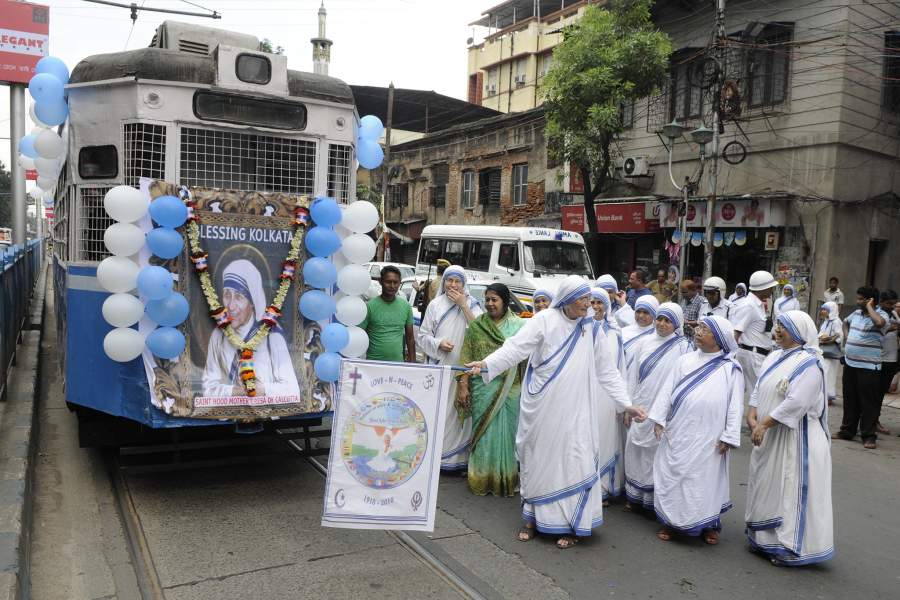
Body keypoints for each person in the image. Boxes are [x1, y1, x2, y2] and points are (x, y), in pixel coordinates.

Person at [465, 276, 646, 549]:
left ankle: (573, 524)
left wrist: (626, 403)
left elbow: (607, 373)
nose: (588, 305)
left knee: (573, 461)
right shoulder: (544, 320)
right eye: (583, 300)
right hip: (542, 408)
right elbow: (516, 348)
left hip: (576, 412)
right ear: (567, 300)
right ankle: (534, 519)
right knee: (539, 458)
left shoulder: (592, 330)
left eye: (589, 299)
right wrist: (488, 364)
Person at [745, 310, 833, 567]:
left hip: (797, 439)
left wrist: (764, 423)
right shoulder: (773, 355)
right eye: (778, 325)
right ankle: (763, 540)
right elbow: (759, 388)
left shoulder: (810, 363)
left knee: (791, 490)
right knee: (766, 484)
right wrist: (752, 417)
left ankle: (790, 549)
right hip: (768, 433)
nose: (778, 330)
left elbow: (797, 403)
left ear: (800, 332)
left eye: (784, 326)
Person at [651, 316, 743, 545]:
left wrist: (730, 435)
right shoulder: (684, 360)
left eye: (705, 329)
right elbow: (666, 391)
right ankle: (671, 522)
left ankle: (708, 524)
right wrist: (659, 419)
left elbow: (735, 405)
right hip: (679, 430)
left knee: (704, 480)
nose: (699, 331)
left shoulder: (731, 369)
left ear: (719, 338)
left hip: (710, 435)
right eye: (699, 327)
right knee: (675, 474)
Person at [457, 283, 525, 496]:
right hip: (482, 388)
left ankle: (505, 479)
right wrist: (463, 385)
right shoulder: (477, 326)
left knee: (508, 435)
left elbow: (526, 358)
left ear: (505, 301)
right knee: (484, 434)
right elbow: (466, 357)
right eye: (487, 299)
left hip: (511, 389)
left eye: (494, 299)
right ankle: (481, 478)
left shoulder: (519, 326)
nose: (490, 304)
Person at [623, 302, 691, 511]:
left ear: (676, 324)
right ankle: (634, 496)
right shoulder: (644, 342)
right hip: (641, 405)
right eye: (660, 319)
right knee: (635, 449)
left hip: (663, 410)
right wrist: (629, 405)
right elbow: (633, 376)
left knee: (656, 453)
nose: (661, 324)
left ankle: (653, 501)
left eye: (667, 321)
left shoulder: (684, 347)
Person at [202, 259, 301, 399]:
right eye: (227, 295)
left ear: (253, 301)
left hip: (268, 418)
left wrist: (263, 390)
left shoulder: (271, 336)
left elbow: (292, 389)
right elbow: (207, 389)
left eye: (239, 297)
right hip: (226, 417)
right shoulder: (218, 335)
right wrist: (235, 391)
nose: (230, 306)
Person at [418, 265, 482, 471]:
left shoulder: (473, 304)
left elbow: (481, 332)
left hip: (465, 367)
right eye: (449, 280)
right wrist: (438, 344)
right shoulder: (435, 305)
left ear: (464, 284)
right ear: (443, 282)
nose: (453, 285)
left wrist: (464, 305)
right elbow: (422, 336)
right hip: (441, 365)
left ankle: (459, 461)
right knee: (441, 411)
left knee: (462, 412)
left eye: (457, 281)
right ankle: (440, 459)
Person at [835, 286, 889, 449]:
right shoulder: (856, 313)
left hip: (869, 367)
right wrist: (847, 335)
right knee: (850, 399)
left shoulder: (882, 315)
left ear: (869, 300)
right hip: (851, 363)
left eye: (860, 299)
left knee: (868, 403)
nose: (857, 301)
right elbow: (845, 322)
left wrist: (870, 308)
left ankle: (868, 436)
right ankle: (847, 431)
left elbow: (879, 323)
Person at [590, 288, 630, 501]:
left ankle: (603, 488)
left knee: (604, 440)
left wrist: (622, 404)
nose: (595, 307)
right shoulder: (581, 330)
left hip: (606, 397)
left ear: (607, 307)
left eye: (600, 303)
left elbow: (619, 369)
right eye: (592, 302)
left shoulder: (615, 333)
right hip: (584, 394)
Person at [733, 271, 778, 393]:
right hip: (752, 355)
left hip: (758, 354)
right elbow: (736, 332)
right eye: (770, 288)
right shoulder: (749, 305)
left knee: (758, 393)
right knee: (761, 393)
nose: (772, 290)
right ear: (762, 288)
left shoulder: (758, 304)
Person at [360, 265, 416, 363]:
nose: (392, 286)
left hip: (397, 365)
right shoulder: (369, 307)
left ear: (399, 283)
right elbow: (359, 335)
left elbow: (410, 338)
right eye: (388, 282)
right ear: (381, 282)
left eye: (396, 282)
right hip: (373, 364)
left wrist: (413, 361)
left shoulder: (406, 306)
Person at [876, 290, 898, 435]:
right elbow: (877, 328)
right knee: (873, 393)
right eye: (889, 303)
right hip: (879, 358)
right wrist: (891, 328)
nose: (892, 306)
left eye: (894, 304)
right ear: (881, 302)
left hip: (891, 358)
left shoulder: (894, 314)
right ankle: (870, 421)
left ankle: (875, 420)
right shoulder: (876, 313)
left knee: (881, 392)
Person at [817, 301, 843, 406]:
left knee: (829, 374)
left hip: (830, 352)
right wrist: (820, 337)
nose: (823, 311)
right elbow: (821, 333)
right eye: (823, 309)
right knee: (824, 373)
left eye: (825, 310)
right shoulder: (826, 321)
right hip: (824, 350)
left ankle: (828, 397)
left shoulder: (836, 321)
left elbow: (839, 336)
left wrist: (828, 339)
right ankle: (823, 396)